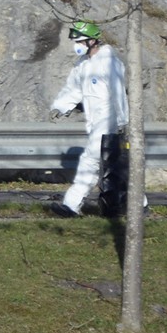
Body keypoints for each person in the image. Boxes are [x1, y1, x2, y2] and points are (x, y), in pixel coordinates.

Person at [48, 20, 129, 218]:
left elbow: (119, 93)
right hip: (95, 124)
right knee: (116, 167)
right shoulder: (82, 65)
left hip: (108, 122)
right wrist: (61, 106)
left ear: (93, 41)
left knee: (89, 161)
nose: (78, 45)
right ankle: (139, 205)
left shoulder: (109, 62)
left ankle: (71, 205)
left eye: (81, 41)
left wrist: (122, 121)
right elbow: (73, 89)